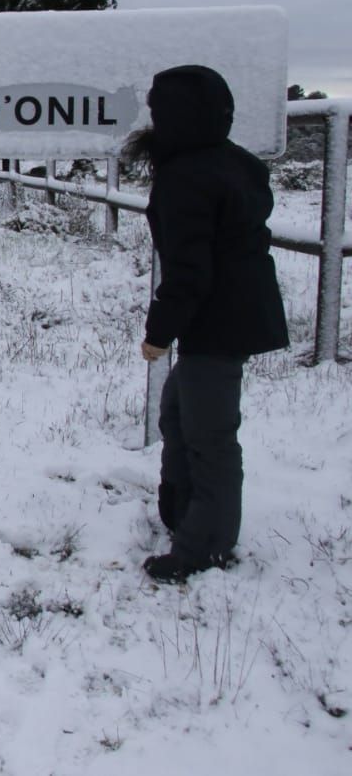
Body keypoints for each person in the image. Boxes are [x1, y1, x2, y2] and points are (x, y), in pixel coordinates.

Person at [125, 64, 289, 584]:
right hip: (235, 312)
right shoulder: (234, 163)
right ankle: (182, 513)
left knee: (208, 433)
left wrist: (159, 332)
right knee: (178, 414)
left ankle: (205, 547)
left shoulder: (186, 176)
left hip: (215, 321)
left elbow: (190, 268)